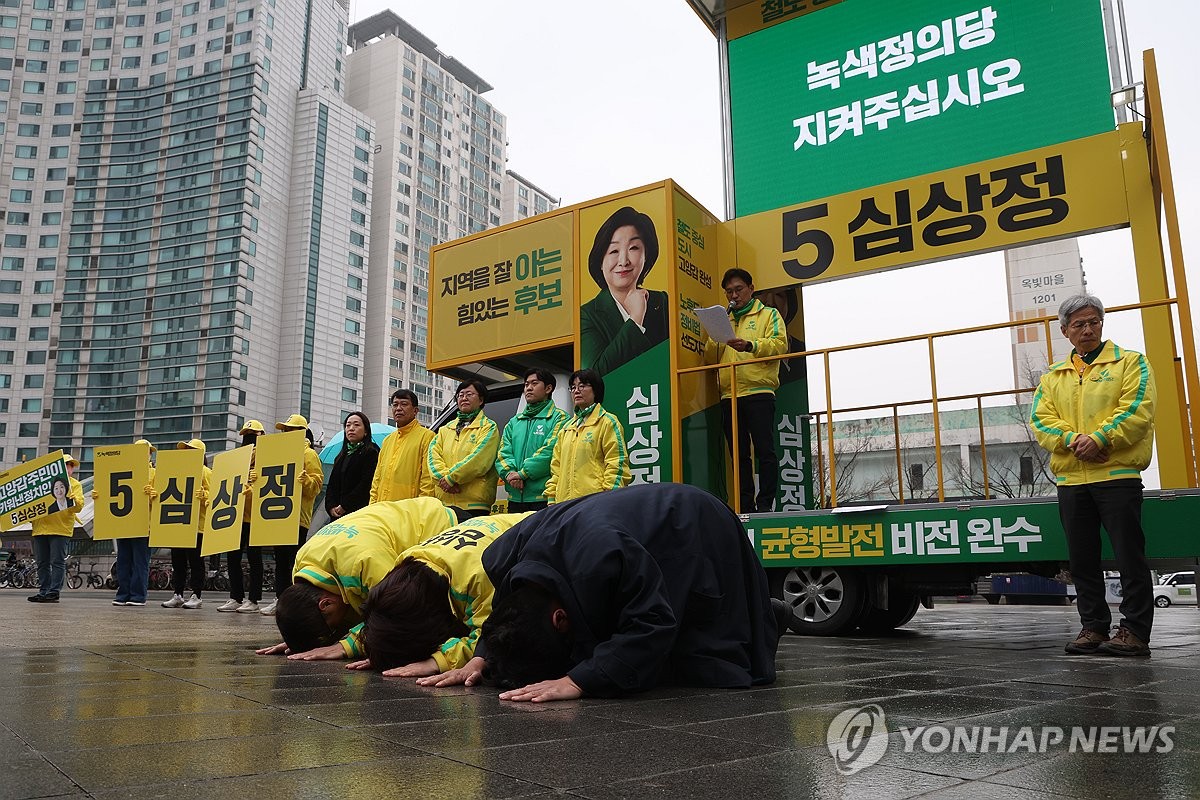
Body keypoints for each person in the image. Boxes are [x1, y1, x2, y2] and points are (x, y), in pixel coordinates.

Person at [415, 483, 780, 701]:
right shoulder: (502, 558)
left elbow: (652, 623)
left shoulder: (603, 556)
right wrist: (483, 657)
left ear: (560, 619)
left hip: (692, 522)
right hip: (621, 534)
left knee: (705, 650)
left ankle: (774, 614)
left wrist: (577, 680)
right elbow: (509, 613)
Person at [1031, 293, 1157, 657]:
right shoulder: (1053, 376)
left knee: (1129, 556)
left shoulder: (1130, 363)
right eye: (1079, 325)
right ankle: (1094, 628)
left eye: (1093, 322)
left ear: (1101, 324)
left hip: (1117, 475)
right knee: (1082, 561)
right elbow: (1042, 421)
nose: (1087, 329)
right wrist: (1073, 440)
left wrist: (1100, 438)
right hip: (1072, 481)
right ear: (1065, 330)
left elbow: (1138, 409)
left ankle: (1133, 632)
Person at [256, 497, 458, 660]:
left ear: (325, 604)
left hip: (442, 524)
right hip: (403, 515)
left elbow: (404, 615)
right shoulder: (302, 564)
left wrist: (350, 644)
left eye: (333, 629)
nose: (336, 632)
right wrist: (301, 639)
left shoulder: (366, 562)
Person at [349, 512, 529, 676]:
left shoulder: (478, 575)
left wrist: (439, 661)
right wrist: (380, 646)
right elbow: (384, 614)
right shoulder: (409, 560)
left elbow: (491, 634)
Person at [704, 268, 787, 513]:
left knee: (765, 451)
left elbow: (780, 345)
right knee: (738, 456)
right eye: (729, 291)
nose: (734, 295)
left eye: (738, 289)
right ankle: (745, 505)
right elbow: (711, 357)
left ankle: (765, 505)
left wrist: (750, 345)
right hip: (729, 394)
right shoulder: (724, 319)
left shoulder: (768, 314)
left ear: (751, 288)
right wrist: (715, 336)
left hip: (759, 390)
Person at [579, 206, 669, 375]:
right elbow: (595, 374)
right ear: (600, 260)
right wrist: (635, 321)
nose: (623, 261)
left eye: (633, 248)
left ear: (646, 255)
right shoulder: (587, 314)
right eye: (613, 251)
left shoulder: (662, 302)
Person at [262, 418, 325, 616]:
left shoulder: (309, 454)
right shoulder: (278, 455)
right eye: (284, 430)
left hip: (298, 516)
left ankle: (293, 602)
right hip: (279, 515)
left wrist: (307, 480)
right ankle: (279, 598)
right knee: (280, 559)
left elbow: (316, 485)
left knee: (293, 560)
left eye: (290, 430)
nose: (286, 433)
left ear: (301, 431)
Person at [545, 369, 629, 504]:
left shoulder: (607, 422)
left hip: (595, 504)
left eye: (582, 386)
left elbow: (617, 463)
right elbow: (556, 470)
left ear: (596, 389)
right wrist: (552, 501)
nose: (576, 391)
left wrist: (608, 499)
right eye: (573, 387)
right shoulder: (566, 428)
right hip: (563, 506)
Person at [496, 368, 569, 512]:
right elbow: (503, 453)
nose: (528, 388)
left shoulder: (559, 418)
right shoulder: (514, 422)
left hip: (543, 498)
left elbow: (550, 451)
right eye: (526, 384)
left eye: (534, 383)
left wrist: (522, 474)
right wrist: (510, 474)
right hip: (514, 499)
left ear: (548, 388)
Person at [427, 379, 500, 518]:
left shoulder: (488, 427)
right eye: (460, 395)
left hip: (475, 504)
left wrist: (451, 478)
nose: (464, 398)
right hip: (445, 504)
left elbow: (479, 460)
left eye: (469, 394)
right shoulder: (445, 429)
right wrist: (443, 479)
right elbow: (433, 457)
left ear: (480, 400)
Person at [218, 420, 266, 614]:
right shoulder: (237, 459)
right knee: (233, 558)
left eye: (253, 435)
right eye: (247, 435)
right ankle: (235, 597)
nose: (249, 439)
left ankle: (253, 599)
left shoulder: (268, 457)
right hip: (236, 515)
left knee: (255, 558)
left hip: (256, 517)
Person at [161, 439, 212, 610]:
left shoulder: (206, 472)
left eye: (191, 449)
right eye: (186, 449)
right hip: (179, 522)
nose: (186, 452)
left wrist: (205, 494)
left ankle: (196, 595)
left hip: (198, 525)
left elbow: (215, 498)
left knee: (196, 562)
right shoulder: (177, 471)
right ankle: (178, 594)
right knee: (178, 562)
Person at [28, 454, 84, 603]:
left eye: (71, 465)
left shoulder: (75, 485)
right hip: (40, 528)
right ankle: (43, 591)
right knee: (42, 562)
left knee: (57, 561)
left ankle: (53, 592)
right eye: (66, 464)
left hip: (60, 529)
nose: (69, 468)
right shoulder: (42, 485)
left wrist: (73, 499)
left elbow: (78, 507)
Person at [370, 389, 435, 503]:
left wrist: (421, 508)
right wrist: (372, 506)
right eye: (395, 405)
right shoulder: (388, 440)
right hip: (382, 509)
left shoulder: (427, 437)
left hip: (408, 511)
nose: (398, 408)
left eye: (404, 404)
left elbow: (428, 481)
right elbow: (377, 479)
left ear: (415, 411)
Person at [113, 439, 156, 607]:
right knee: (123, 561)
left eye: (146, 451)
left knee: (140, 562)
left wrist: (154, 494)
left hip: (144, 525)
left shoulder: (154, 473)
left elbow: (164, 497)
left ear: (149, 454)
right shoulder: (123, 471)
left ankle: (138, 595)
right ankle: (123, 593)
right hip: (125, 523)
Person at [325, 411, 380, 521]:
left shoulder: (371, 452)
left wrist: (345, 505)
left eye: (356, 425)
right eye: (348, 425)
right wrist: (331, 506)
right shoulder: (341, 455)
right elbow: (331, 485)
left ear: (365, 431)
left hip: (358, 513)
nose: (351, 428)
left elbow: (366, 484)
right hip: (337, 515)